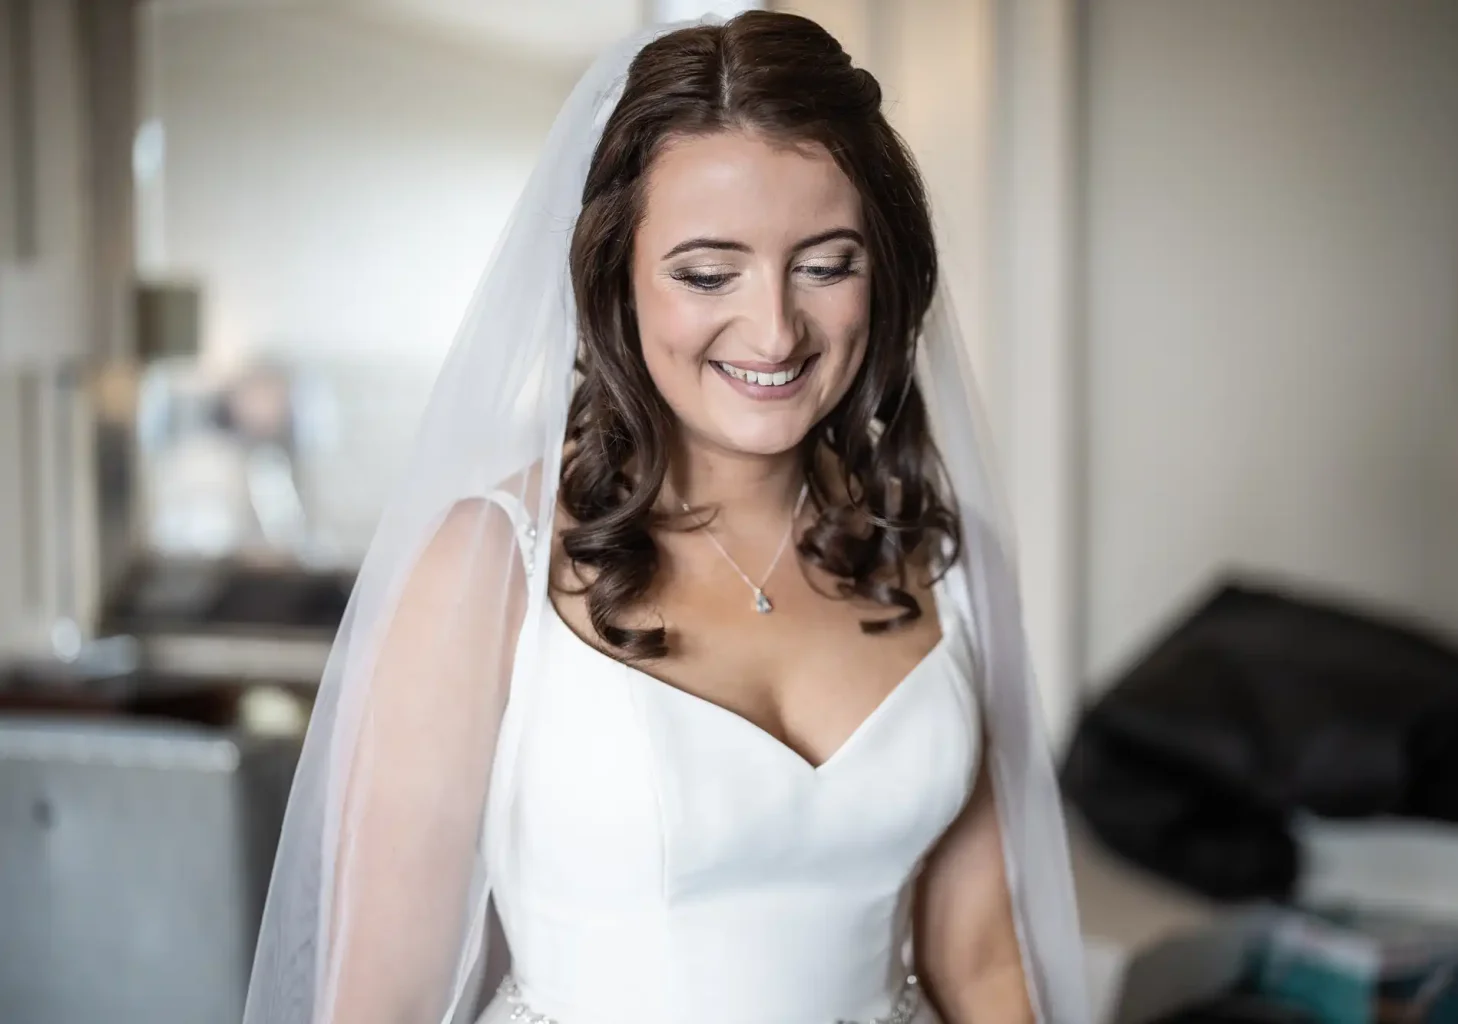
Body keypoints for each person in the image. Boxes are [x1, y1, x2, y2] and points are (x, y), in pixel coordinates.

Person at [244, 12, 1087, 1024]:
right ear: (616, 281)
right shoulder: (485, 568)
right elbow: (374, 1005)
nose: (775, 327)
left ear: (887, 271)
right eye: (705, 271)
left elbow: (985, 960)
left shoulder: (944, 562)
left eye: (825, 263)